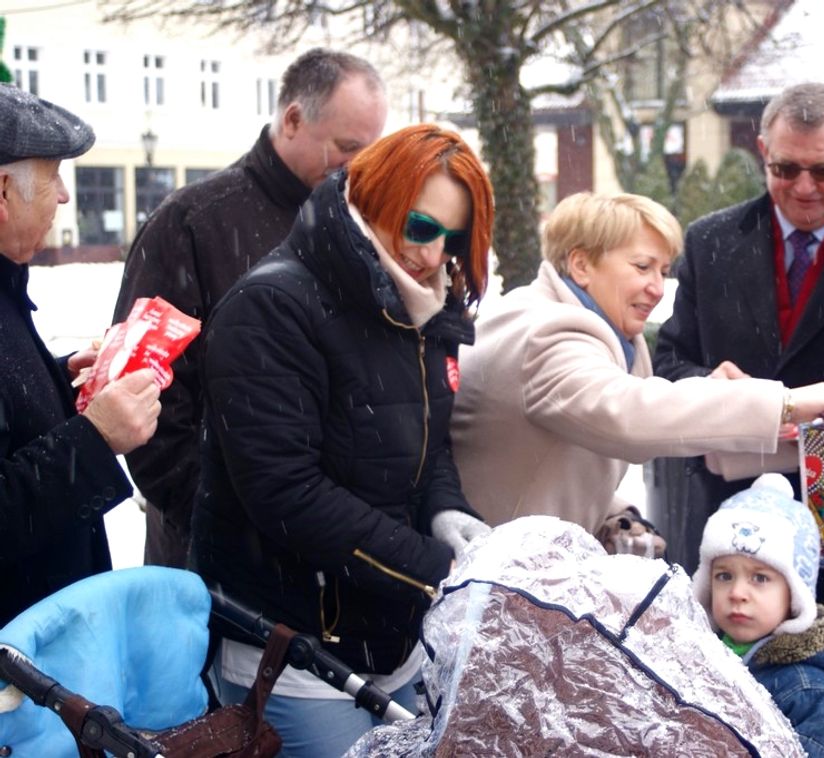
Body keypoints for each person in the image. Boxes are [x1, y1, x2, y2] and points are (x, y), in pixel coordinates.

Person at [191, 124, 493, 757]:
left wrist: (446, 512)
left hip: (395, 642)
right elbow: (285, 493)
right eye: (421, 227)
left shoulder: (424, 306)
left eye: (453, 238)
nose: (433, 254)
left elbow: (428, 445)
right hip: (296, 651)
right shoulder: (273, 305)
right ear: (377, 198)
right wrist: (435, 569)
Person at [652, 82, 824, 756]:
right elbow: (670, 357)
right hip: (726, 543)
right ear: (762, 152)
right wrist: (708, 386)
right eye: (784, 167)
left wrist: (822, 438)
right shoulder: (709, 241)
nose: (802, 186)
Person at [112, 48, 387, 569]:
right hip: (219, 562)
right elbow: (144, 400)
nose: (361, 167)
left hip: (333, 546)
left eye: (372, 150)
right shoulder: (191, 222)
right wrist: (227, 523)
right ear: (292, 119)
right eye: (348, 146)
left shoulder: (362, 226)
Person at [450, 191, 824, 548]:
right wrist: (784, 401)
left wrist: (615, 514)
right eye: (642, 267)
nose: (658, 287)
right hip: (489, 582)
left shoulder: (598, 332)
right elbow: (629, 417)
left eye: (663, 271)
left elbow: (550, 456)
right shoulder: (547, 333)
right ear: (581, 265)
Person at [0, 85, 161, 625]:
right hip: (17, 668)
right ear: (3, 190)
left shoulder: (6, 283)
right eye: (53, 178)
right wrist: (94, 438)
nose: (65, 197)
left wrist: (56, 387)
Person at [693, 474, 824, 758]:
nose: (737, 592)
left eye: (760, 578)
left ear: (794, 595)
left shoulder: (810, 695)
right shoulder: (697, 660)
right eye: (724, 575)